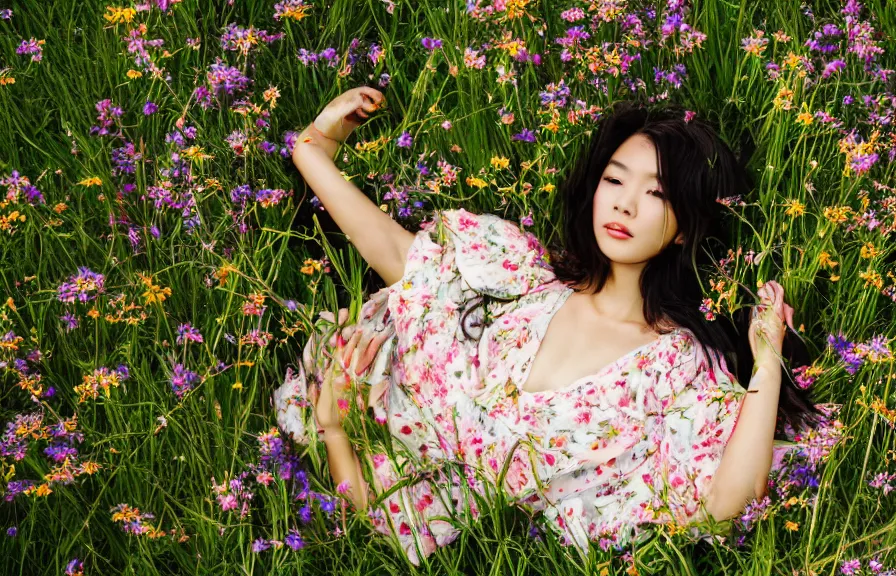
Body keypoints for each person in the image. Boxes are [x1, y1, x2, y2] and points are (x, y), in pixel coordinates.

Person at [274, 87, 825, 565]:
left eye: (656, 193)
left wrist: (767, 359)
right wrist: (312, 152)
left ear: (685, 228)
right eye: (615, 179)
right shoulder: (524, 282)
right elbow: (403, 257)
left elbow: (726, 509)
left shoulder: (670, 366)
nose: (626, 205)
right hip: (387, 406)